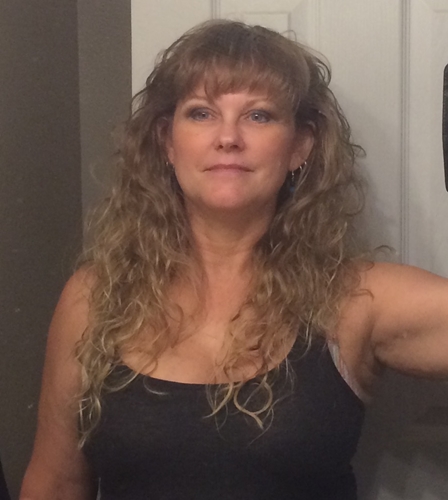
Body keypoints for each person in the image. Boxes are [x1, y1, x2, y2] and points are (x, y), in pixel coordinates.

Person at [20, 20, 448, 500]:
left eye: (259, 115)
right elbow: (55, 483)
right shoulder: (95, 298)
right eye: (201, 113)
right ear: (167, 141)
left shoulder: (356, 299)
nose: (228, 137)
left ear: (300, 146)